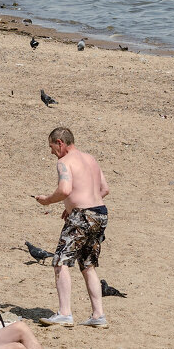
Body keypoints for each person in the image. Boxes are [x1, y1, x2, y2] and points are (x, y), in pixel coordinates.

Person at [34, 127, 111, 329]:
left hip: (82, 216)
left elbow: (65, 189)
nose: (52, 153)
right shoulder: (91, 159)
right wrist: (76, 205)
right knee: (87, 264)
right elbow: (104, 189)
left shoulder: (64, 162)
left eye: (52, 147)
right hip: (100, 213)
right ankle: (98, 315)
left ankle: (64, 313)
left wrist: (47, 201)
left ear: (60, 142)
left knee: (61, 261)